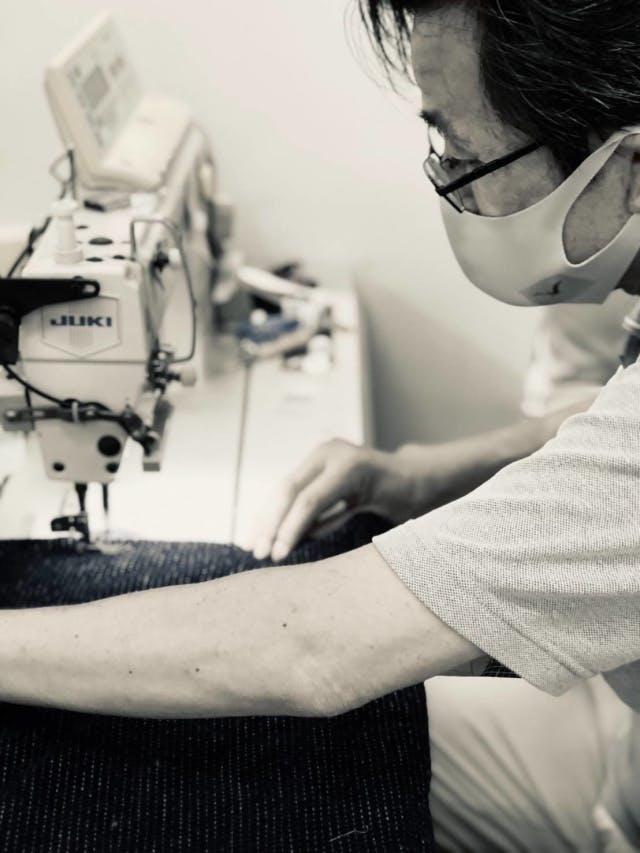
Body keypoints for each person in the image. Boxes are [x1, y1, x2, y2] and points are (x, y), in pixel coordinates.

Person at [3, 0, 640, 846]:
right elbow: (602, 419)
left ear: (629, 165)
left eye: (464, 157)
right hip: (615, 733)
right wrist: (419, 474)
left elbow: (313, 649)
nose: (451, 185)